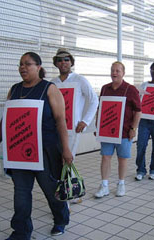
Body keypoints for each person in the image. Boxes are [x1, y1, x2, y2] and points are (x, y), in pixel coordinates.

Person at [0, 52, 73, 239]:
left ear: (38, 67)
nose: (23, 67)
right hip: (20, 151)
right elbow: (6, 119)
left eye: (27, 64)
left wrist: (66, 149)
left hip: (45, 151)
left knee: (51, 190)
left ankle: (61, 220)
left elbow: (61, 121)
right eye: (20, 64)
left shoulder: (50, 89)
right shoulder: (14, 90)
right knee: (21, 193)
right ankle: (21, 231)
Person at [51, 48, 98, 204]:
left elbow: (93, 100)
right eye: (60, 60)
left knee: (67, 160)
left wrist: (85, 121)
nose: (63, 62)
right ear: (55, 63)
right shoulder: (53, 83)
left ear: (71, 62)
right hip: (54, 129)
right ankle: (73, 192)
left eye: (66, 59)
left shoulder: (80, 80)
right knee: (60, 162)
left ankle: (65, 199)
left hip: (72, 129)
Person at [94, 61, 141, 198]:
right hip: (107, 131)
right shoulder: (105, 88)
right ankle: (104, 185)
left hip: (124, 132)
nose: (114, 73)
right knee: (105, 157)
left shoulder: (130, 89)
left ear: (123, 73)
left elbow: (138, 111)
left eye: (117, 71)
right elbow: (100, 109)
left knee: (122, 159)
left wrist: (133, 128)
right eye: (112, 70)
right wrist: (98, 126)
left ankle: (121, 183)